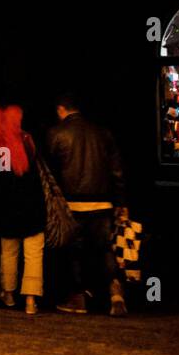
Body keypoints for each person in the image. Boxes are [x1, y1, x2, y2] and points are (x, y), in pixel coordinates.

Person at [46, 92, 128, 316]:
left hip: (72, 204)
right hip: (102, 201)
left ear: (61, 110)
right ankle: (115, 291)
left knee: (74, 251)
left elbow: (51, 172)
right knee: (104, 248)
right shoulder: (103, 133)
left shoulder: (57, 133)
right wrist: (120, 201)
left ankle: (78, 297)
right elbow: (117, 170)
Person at [0, 103, 46, 315]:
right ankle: (30, 301)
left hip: (8, 209)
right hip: (32, 207)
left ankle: (8, 293)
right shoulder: (27, 141)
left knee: (8, 252)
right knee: (33, 253)